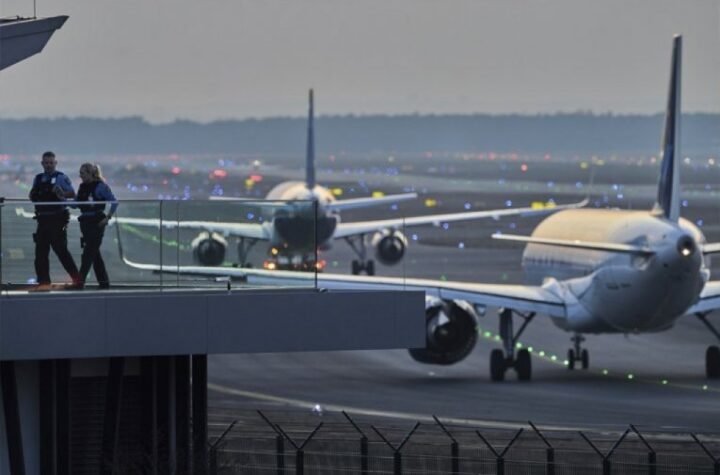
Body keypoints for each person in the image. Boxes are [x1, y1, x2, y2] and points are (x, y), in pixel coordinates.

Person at [29, 151, 81, 287]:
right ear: (42, 164)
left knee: (62, 251)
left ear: (55, 163)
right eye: (46, 163)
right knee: (40, 254)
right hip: (43, 220)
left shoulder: (61, 177)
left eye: (51, 162)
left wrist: (61, 193)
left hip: (57, 219)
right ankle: (43, 282)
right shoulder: (38, 178)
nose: (48, 165)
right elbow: (33, 194)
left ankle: (77, 280)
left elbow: (72, 193)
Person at [76, 163, 118, 289]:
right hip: (85, 223)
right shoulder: (82, 187)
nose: (80, 176)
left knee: (88, 254)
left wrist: (107, 218)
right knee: (94, 254)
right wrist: (62, 199)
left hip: (96, 223)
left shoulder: (100, 187)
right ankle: (104, 283)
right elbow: (77, 204)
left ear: (90, 174)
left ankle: (79, 282)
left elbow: (114, 202)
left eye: (83, 173)